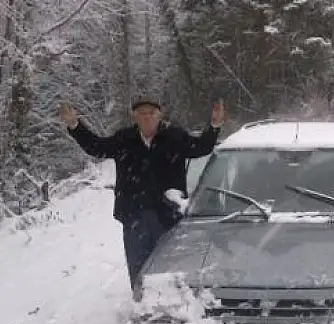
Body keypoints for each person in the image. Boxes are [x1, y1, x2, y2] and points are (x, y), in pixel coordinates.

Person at [58, 97, 226, 290]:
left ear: (159, 115)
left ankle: (172, 307)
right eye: (141, 113)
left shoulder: (174, 137)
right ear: (135, 116)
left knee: (170, 267)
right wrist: (74, 125)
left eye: (151, 113)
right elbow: (97, 147)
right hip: (133, 215)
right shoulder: (124, 139)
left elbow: (201, 147)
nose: (146, 117)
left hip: (168, 215)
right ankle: (141, 306)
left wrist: (214, 126)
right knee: (138, 267)